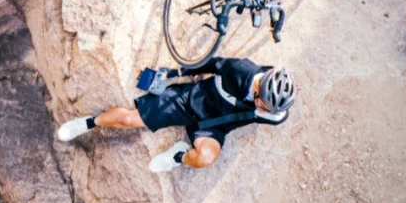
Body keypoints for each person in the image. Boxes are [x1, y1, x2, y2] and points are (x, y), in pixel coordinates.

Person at [57, 57, 296, 173]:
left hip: (215, 126)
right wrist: (174, 73)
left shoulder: (275, 114)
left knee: (204, 159)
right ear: (258, 88)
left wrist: (265, 111)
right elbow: (210, 64)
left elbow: (272, 113)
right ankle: (89, 122)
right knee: (129, 119)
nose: (263, 112)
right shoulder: (241, 71)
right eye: (262, 105)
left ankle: (178, 156)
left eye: (268, 110)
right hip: (188, 100)